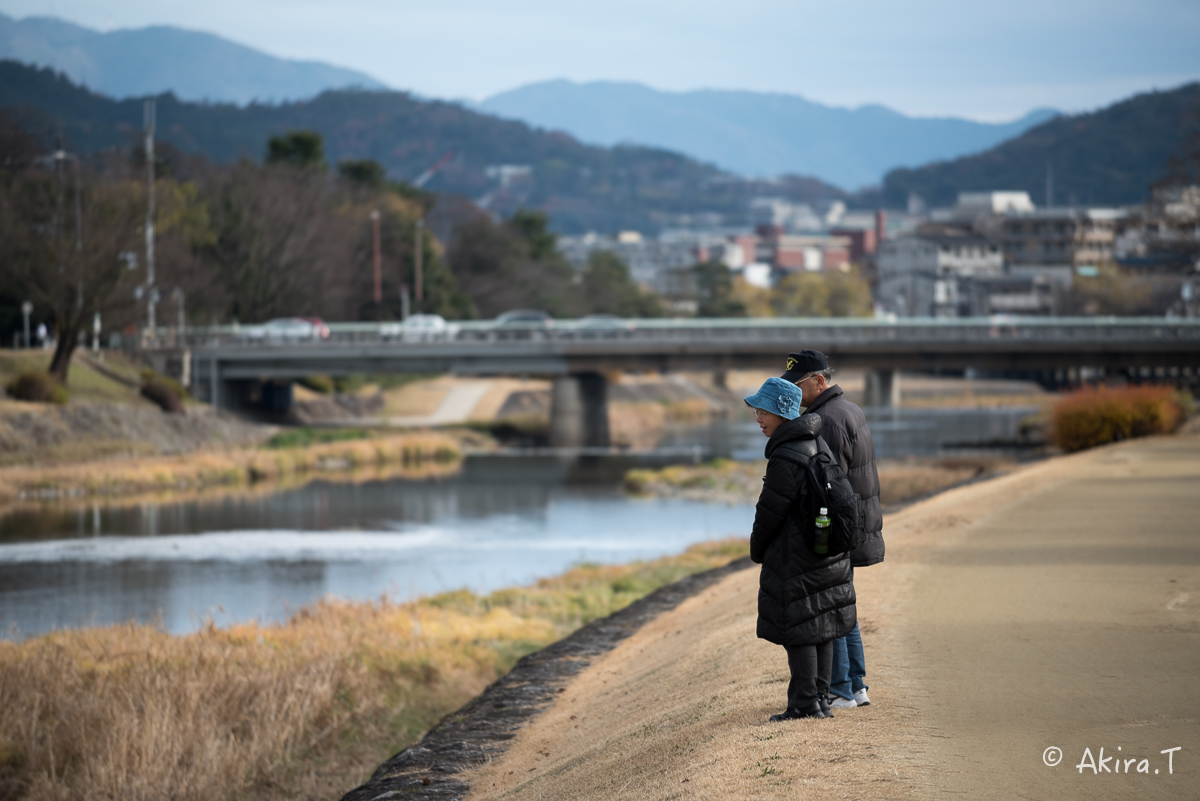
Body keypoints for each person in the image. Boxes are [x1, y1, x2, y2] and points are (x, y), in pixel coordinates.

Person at [745, 376, 857, 721]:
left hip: (798, 555)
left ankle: (805, 703)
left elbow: (770, 511)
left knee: (799, 628)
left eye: (762, 412)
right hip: (823, 550)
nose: (758, 419)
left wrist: (757, 548)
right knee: (820, 624)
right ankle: (820, 699)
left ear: (781, 412)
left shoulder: (787, 454)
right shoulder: (814, 441)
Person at [781, 350, 883, 709]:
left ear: (819, 381)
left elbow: (829, 484)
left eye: (799, 384)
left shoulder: (826, 419)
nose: (794, 391)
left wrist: (819, 535)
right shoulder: (848, 409)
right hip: (855, 524)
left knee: (829, 609)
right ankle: (855, 686)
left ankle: (840, 690)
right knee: (843, 605)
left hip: (839, 529)